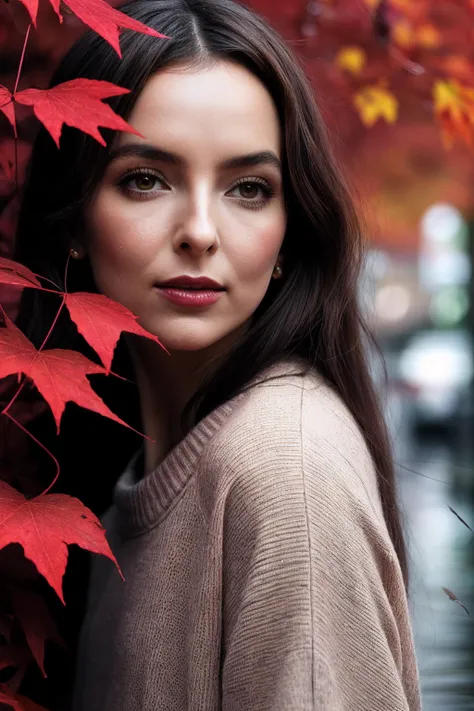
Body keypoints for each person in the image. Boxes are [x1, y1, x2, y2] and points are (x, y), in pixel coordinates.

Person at [13, 0, 422, 709]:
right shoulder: (121, 478)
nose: (200, 232)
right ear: (74, 217)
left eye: (248, 189)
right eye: (146, 177)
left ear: (291, 236)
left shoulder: (282, 472)